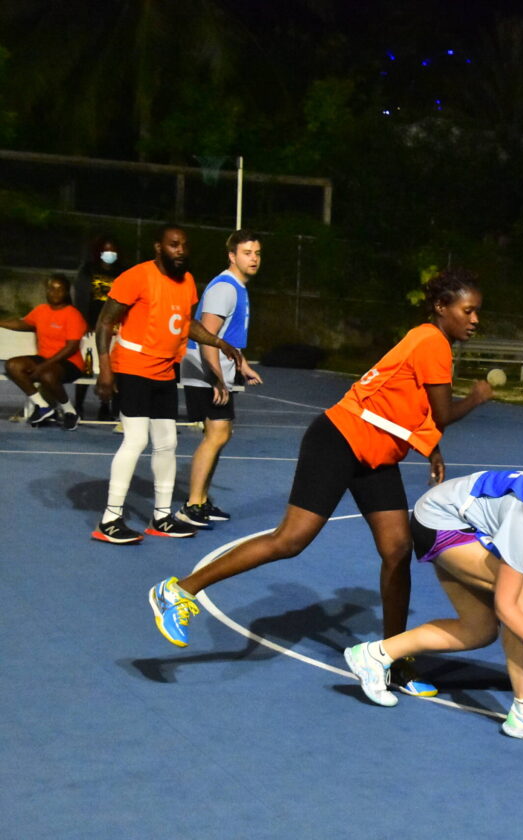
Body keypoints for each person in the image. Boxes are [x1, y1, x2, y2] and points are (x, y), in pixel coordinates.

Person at [148, 268, 493, 673]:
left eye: (477, 313)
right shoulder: (433, 342)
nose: (474, 319)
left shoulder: (428, 339)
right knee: (290, 540)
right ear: (441, 307)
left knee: (397, 549)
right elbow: (442, 412)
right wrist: (477, 397)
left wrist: (432, 447)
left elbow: (405, 403)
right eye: (468, 311)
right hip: (339, 439)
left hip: (375, 451)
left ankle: (391, 659)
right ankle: (178, 591)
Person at [343, 452, 523, 743]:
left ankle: (373, 655)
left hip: (475, 528)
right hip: (443, 520)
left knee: (479, 630)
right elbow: (506, 606)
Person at [91, 224, 243, 544]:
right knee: (135, 441)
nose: (181, 251)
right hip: (133, 368)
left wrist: (217, 341)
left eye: (184, 245)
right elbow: (105, 322)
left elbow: (186, 323)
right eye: (174, 245)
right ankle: (110, 519)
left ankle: (161, 517)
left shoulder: (186, 281)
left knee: (167, 444)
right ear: (158, 247)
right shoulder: (137, 277)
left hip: (164, 371)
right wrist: (105, 370)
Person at [175, 229, 265, 528]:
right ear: (232, 256)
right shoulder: (225, 288)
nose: (253, 258)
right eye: (247, 253)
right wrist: (217, 379)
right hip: (205, 372)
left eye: (257, 253)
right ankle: (192, 505)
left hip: (217, 371)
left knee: (220, 435)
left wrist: (243, 365)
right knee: (216, 435)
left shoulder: (238, 287)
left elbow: (229, 338)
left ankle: (201, 499)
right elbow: (207, 338)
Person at [0, 273, 88, 430]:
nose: (55, 293)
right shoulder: (41, 310)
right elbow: (23, 324)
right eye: (51, 289)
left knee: (47, 374)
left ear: (66, 292)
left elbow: (71, 347)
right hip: (45, 359)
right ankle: (44, 407)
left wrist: (44, 365)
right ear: (46, 291)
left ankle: (70, 412)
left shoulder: (72, 314)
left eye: (60, 290)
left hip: (70, 363)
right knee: (12, 365)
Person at [73, 234, 124, 419]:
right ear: (99, 252)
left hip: (115, 328)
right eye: (106, 250)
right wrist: (84, 321)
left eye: (113, 250)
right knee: (87, 367)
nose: (110, 253)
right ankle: (78, 405)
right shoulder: (88, 270)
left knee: (110, 368)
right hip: (91, 326)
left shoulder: (122, 272)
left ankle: (106, 405)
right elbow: (81, 297)